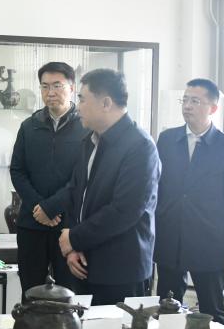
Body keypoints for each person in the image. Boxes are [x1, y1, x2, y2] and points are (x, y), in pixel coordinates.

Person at [51, 68, 160, 305]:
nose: (77, 107)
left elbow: (125, 210)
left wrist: (75, 238)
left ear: (106, 103)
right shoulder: (90, 141)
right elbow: (76, 195)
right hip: (83, 262)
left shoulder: (140, 147)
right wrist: (73, 247)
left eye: (82, 99)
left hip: (120, 270)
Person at [154, 79, 224, 324]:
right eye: (185, 100)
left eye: (195, 101)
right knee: (167, 307)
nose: (187, 106)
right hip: (170, 236)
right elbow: (156, 188)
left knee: (212, 310)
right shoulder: (167, 140)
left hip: (208, 240)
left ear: (213, 108)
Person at [9, 61, 88, 295]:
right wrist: (39, 207)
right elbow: (17, 170)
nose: (50, 92)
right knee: (31, 292)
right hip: (32, 223)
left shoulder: (86, 127)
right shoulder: (29, 126)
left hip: (69, 224)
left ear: (72, 88)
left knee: (69, 294)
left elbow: (83, 177)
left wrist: (52, 207)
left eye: (57, 85)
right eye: (44, 86)